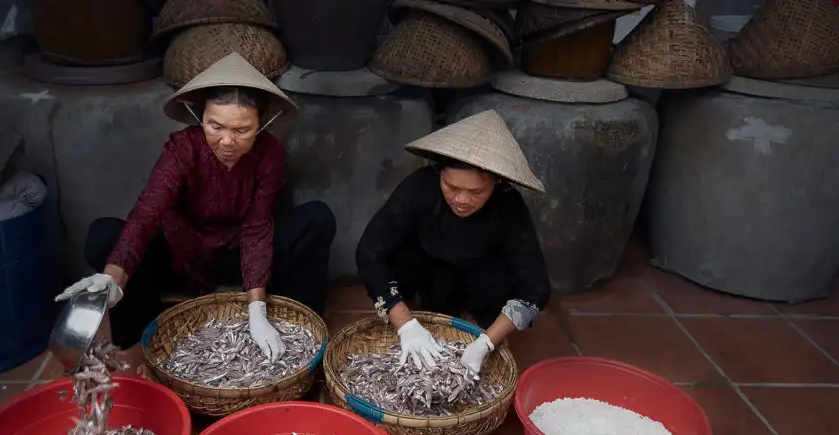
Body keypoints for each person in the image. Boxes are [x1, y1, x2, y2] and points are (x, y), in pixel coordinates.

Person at [56, 53, 336, 356]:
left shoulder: (269, 154)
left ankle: (301, 332)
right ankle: (139, 343)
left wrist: (257, 309)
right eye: (215, 126)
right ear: (200, 116)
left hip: (237, 257)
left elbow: (258, 227)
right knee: (105, 235)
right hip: (182, 255)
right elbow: (147, 213)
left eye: (241, 130)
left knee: (316, 219)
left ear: (262, 124)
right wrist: (113, 275)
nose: (227, 141)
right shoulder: (182, 149)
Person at [356, 110, 550, 373]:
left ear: (496, 184)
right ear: (440, 175)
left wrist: (486, 343)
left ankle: (478, 324)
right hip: (427, 271)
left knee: (499, 280)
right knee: (398, 256)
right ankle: (415, 316)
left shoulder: (508, 205)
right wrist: (405, 323)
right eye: (451, 187)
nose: (461, 199)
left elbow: (534, 288)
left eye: (476, 192)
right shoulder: (420, 188)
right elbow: (369, 251)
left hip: (478, 277)